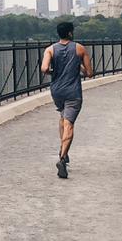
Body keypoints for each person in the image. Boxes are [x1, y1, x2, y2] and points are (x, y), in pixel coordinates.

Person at [40, 21, 93, 179]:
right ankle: (62, 159)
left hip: (56, 91)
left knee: (63, 117)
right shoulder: (79, 48)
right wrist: (79, 67)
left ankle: (63, 149)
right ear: (70, 33)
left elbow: (44, 69)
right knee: (69, 124)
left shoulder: (50, 49)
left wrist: (54, 73)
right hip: (72, 92)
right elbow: (89, 73)